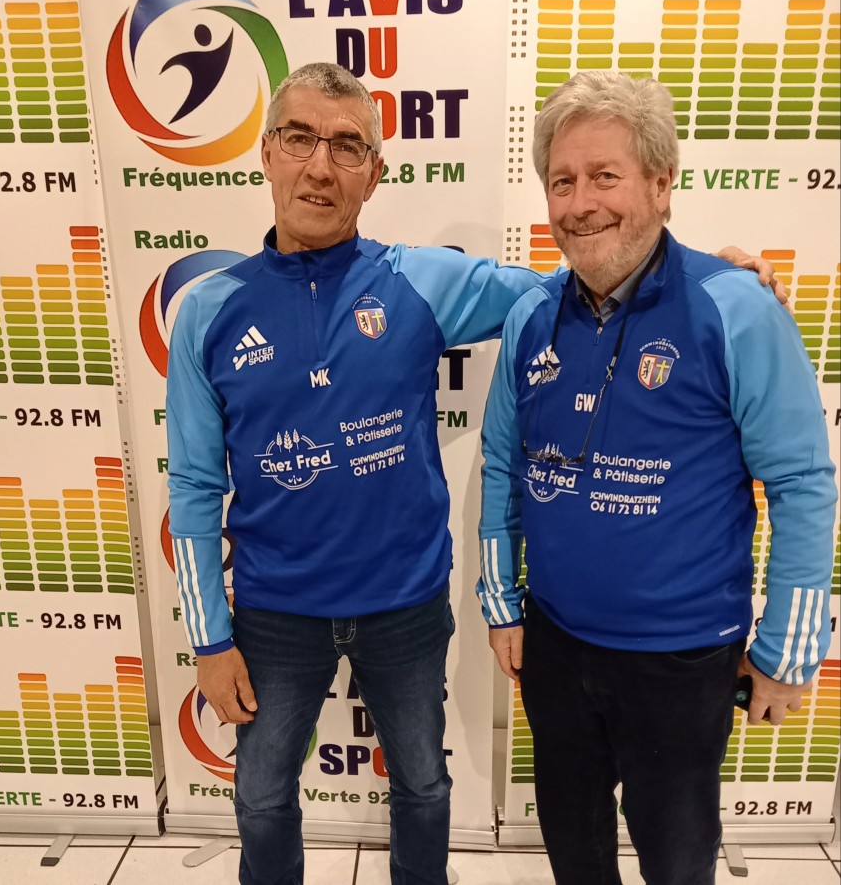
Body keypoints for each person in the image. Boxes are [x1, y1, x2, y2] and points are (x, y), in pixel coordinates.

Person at [166, 61, 783, 885]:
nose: (320, 165)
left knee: (423, 785)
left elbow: (588, 272)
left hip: (405, 606)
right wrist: (209, 640)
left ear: (374, 174)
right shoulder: (208, 310)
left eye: (347, 146)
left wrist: (712, 273)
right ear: (267, 152)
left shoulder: (419, 280)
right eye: (299, 138)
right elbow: (193, 488)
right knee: (261, 794)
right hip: (274, 613)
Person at [477, 70, 836, 885]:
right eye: (561, 182)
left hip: (681, 659)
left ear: (661, 182)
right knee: (573, 849)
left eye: (604, 176)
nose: (579, 203)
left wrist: (787, 650)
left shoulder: (737, 307)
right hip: (554, 644)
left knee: (675, 862)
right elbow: (501, 464)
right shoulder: (531, 315)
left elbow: (801, 484)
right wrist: (501, 605)